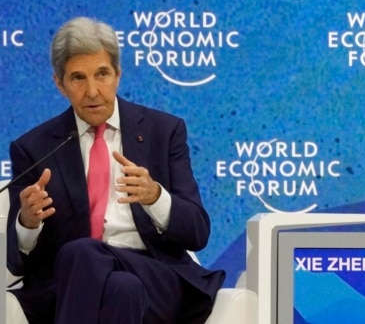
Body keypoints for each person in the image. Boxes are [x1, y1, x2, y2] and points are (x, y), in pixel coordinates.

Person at [6, 16, 225, 323]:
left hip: (157, 276)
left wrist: (155, 197)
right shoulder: (34, 148)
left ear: (118, 75)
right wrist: (27, 222)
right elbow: (17, 261)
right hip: (72, 285)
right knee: (122, 289)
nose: (93, 91)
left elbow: (198, 231)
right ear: (60, 84)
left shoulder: (164, 131)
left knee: (81, 253)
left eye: (102, 74)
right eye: (78, 78)